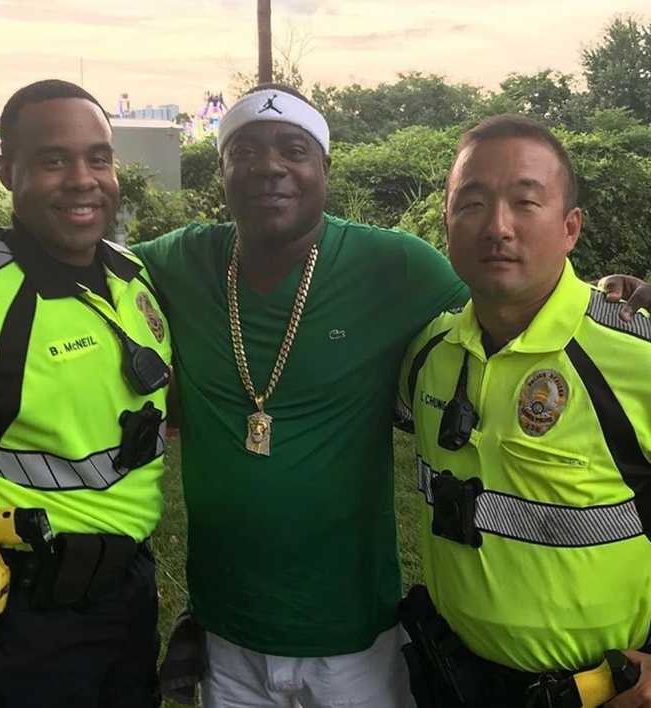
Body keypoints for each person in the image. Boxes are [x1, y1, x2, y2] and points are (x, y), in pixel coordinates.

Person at [133, 83, 468, 708]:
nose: (270, 168)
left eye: (294, 149)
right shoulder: (180, 261)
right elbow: (81, 267)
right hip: (227, 635)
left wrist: (608, 295)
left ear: (325, 168)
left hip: (353, 638)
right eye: (247, 152)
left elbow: (512, 306)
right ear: (223, 169)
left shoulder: (392, 266)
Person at [396, 114, 651, 707]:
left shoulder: (633, 357)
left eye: (525, 202)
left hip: (603, 692)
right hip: (452, 680)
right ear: (447, 221)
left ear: (570, 228)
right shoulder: (428, 355)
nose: (498, 228)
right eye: (473, 203)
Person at [0, 80, 171, 708]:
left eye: (99, 157)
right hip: (13, 622)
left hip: (127, 606)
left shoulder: (131, 277)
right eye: (53, 160)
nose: (83, 179)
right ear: (9, 171)